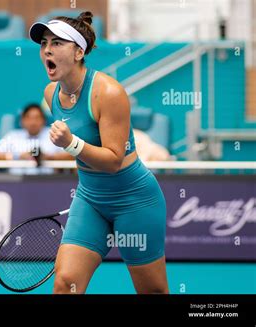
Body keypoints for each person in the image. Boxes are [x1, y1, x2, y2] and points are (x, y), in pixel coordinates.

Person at [29, 11, 169, 294]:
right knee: (65, 283)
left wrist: (71, 144)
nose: (47, 50)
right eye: (44, 43)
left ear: (79, 52)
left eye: (57, 43)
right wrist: (70, 145)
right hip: (90, 199)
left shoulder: (108, 92)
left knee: (152, 291)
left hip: (134, 200)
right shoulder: (50, 94)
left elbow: (114, 161)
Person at [0, 103, 72, 174]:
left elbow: (71, 155)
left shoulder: (54, 134)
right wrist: (17, 156)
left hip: (48, 181)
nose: (33, 122)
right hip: (16, 182)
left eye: (37, 118)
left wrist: (49, 157)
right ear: (22, 121)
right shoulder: (13, 136)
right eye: (29, 118)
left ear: (44, 120)